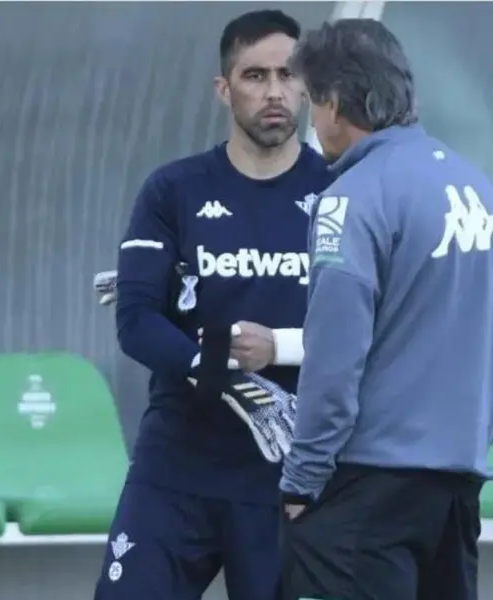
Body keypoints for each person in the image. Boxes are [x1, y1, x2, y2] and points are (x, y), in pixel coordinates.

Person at [93, 10, 334, 600]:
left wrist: (278, 352)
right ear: (224, 90)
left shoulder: (339, 190)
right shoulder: (173, 189)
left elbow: (370, 328)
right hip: (178, 466)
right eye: (254, 76)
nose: (274, 91)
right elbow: (136, 320)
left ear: (306, 85)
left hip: (290, 479)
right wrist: (221, 368)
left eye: (287, 75)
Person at [278, 19, 493, 600]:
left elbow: (335, 356)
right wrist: (463, 445)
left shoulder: (351, 199)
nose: (313, 120)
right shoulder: (477, 188)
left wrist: (302, 480)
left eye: (313, 102)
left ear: (334, 103)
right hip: (454, 488)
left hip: (366, 494)